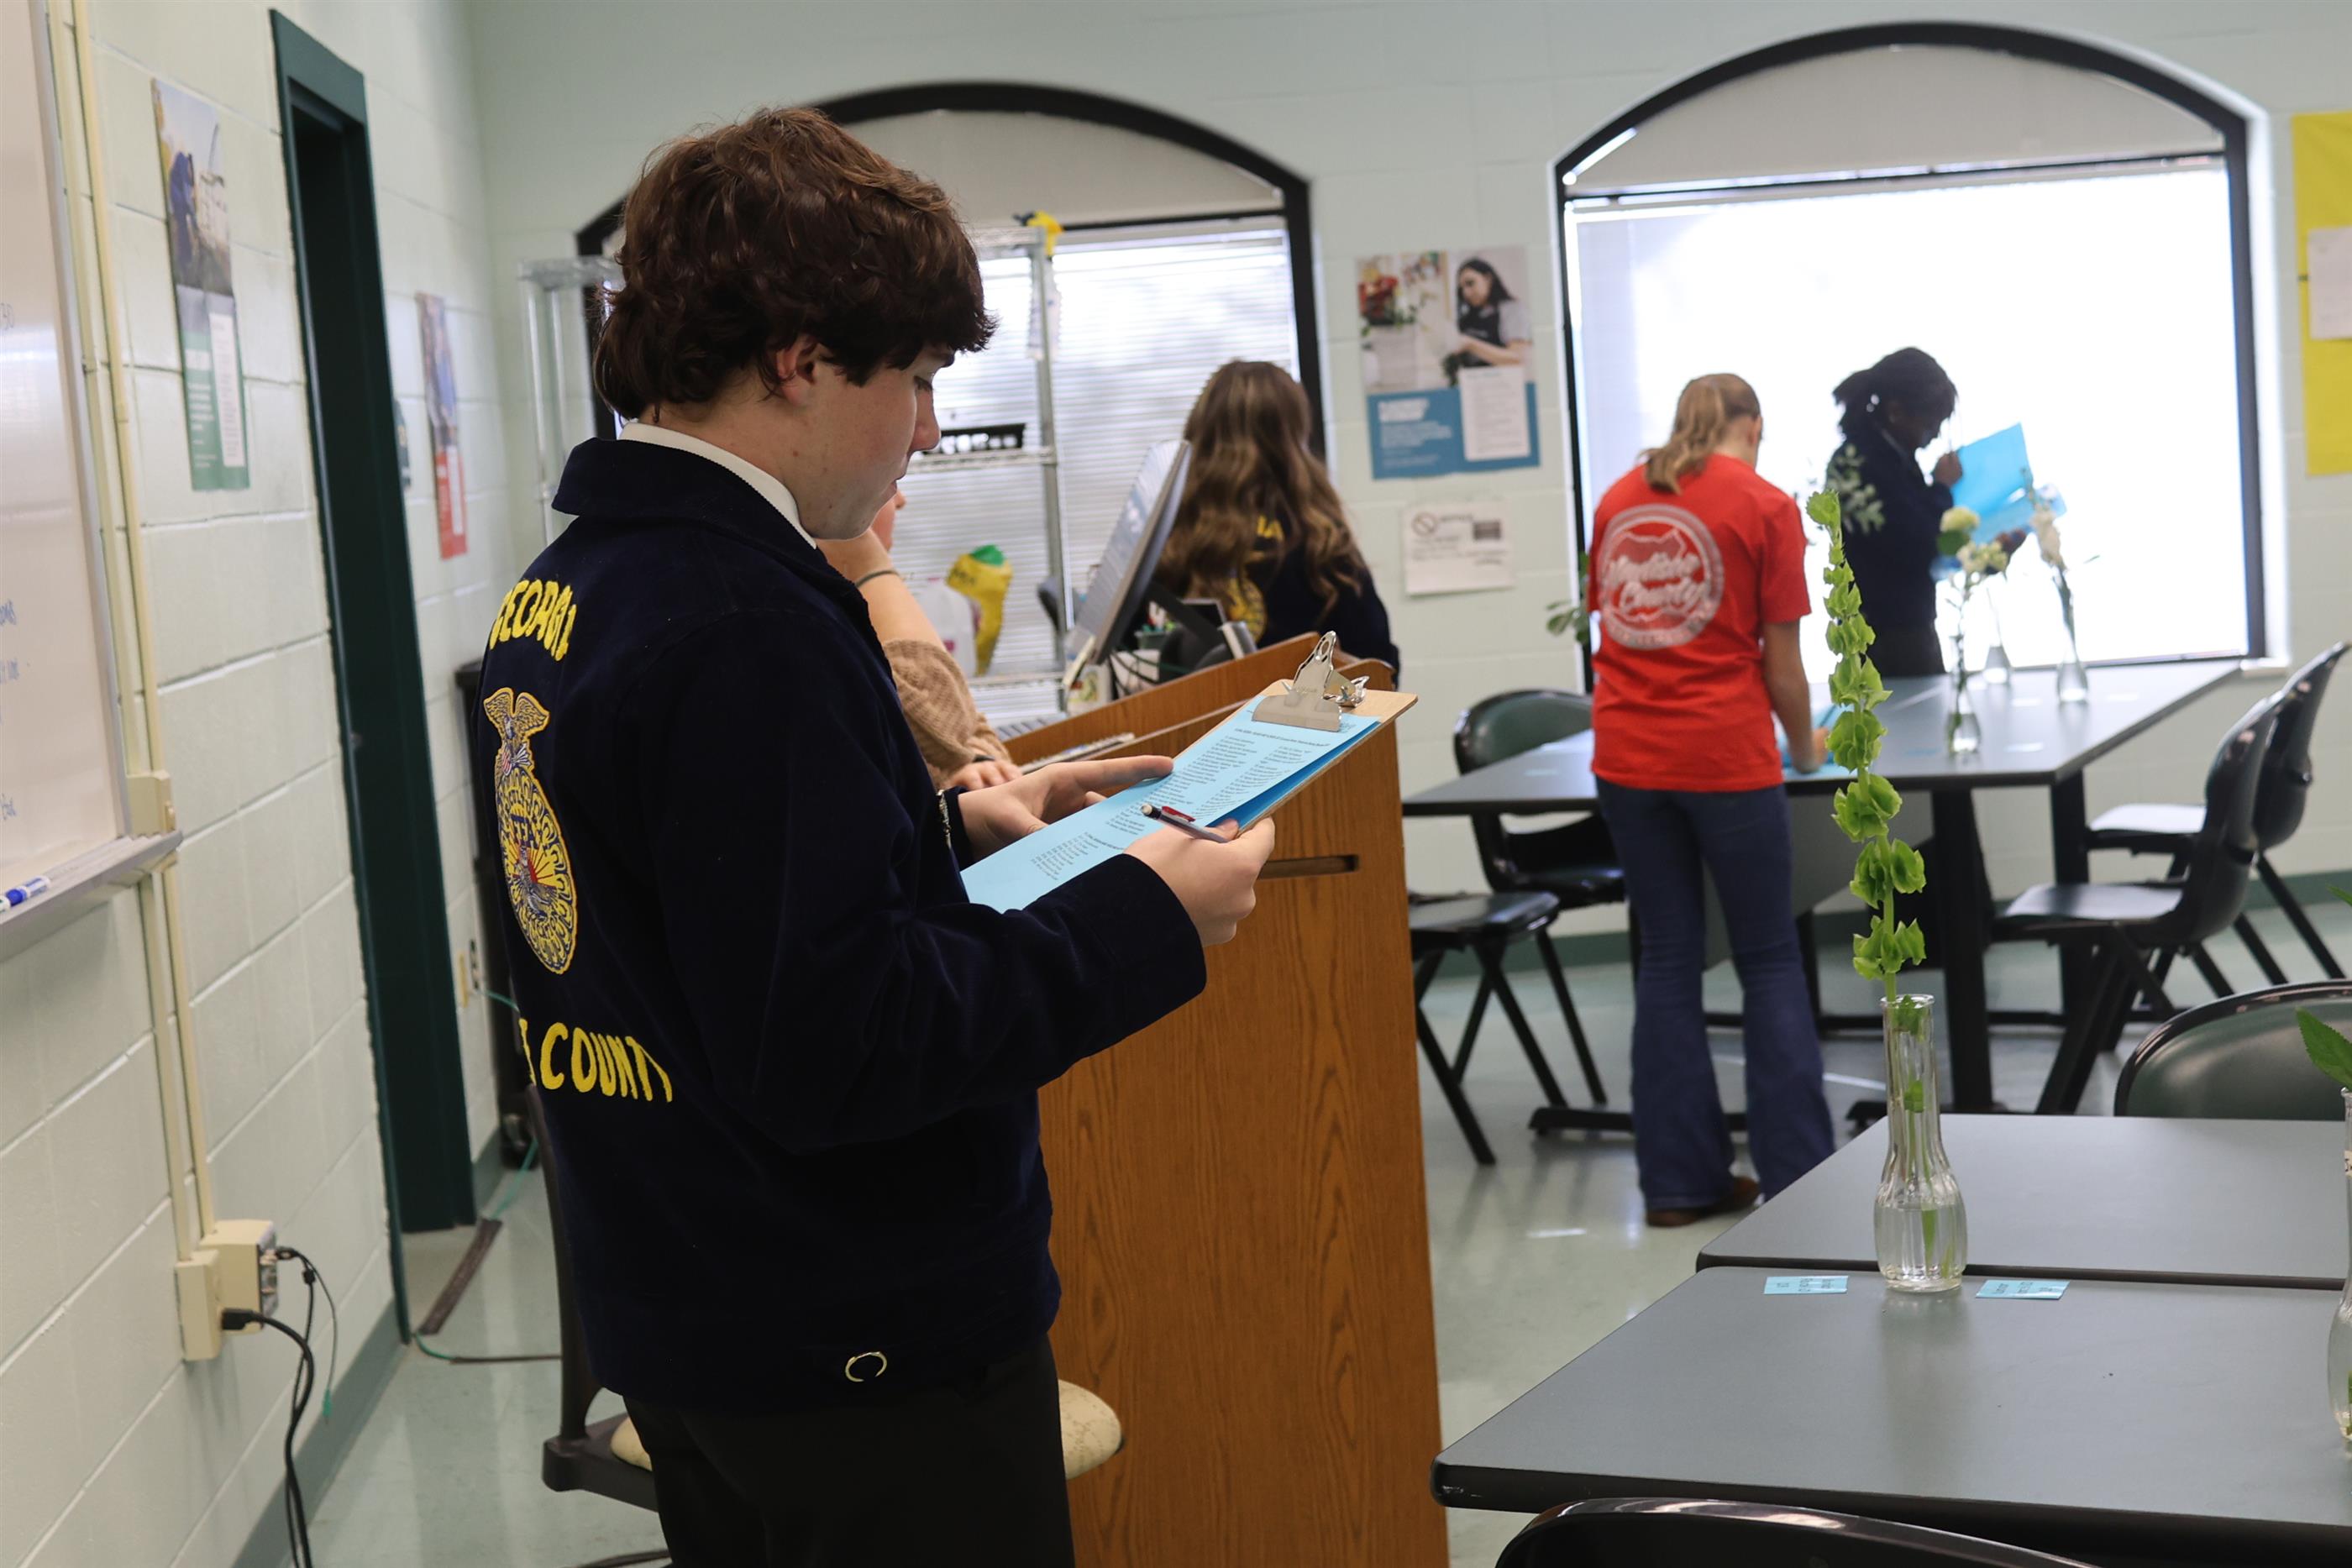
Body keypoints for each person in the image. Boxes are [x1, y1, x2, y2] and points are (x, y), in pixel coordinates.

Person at [475, 107, 1275, 1567]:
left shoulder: (578, 585)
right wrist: (1149, 916)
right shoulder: (745, 621)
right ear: (798, 359)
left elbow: (706, 920)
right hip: (857, 1349)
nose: (924, 428)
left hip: (697, 1307)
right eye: (910, 377)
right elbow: (845, 1045)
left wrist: (956, 831)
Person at [1585, 372, 1835, 1226]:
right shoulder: (1765, 504)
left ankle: (1677, 1184)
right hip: (1724, 755)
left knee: (1666, 958)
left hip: (1627, 757)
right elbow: (1782, 667)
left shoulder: (1618, 498)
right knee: (1767, 958)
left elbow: (1619, 623)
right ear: (1752, 427)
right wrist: (1807, 747)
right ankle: (1798, 1183)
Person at [1156, 360, 1400, 672]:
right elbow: (1377, 663)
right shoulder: (1317, 535)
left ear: (1201, 431)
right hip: (1301, 704)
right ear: (1292, 435)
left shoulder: (1171, 536)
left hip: (1193, 704)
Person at [818, 486, 1018, 789]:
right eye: (891, 484)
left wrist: (973, 761)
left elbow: (966, 734)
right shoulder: (815, 622)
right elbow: (951, 738)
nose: (901, 500)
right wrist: (872, 567)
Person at [1823, 347, 1963, 677]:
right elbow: (1913, 542)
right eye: (1930, 423)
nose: (1935, 435)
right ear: (1897, 411)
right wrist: (1941, 489)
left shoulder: (1892, 457)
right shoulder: (1857, 464)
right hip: (1880, 639)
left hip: (1908, 628)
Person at [1448, 255, 1530, 370]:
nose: (1466, 293)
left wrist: (1470, 344)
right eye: (1462, 288)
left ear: (1488, 279)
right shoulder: (1467, 319)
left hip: (1504, 379)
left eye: (1470, 283)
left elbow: (1516, 358)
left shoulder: (1512, 309)